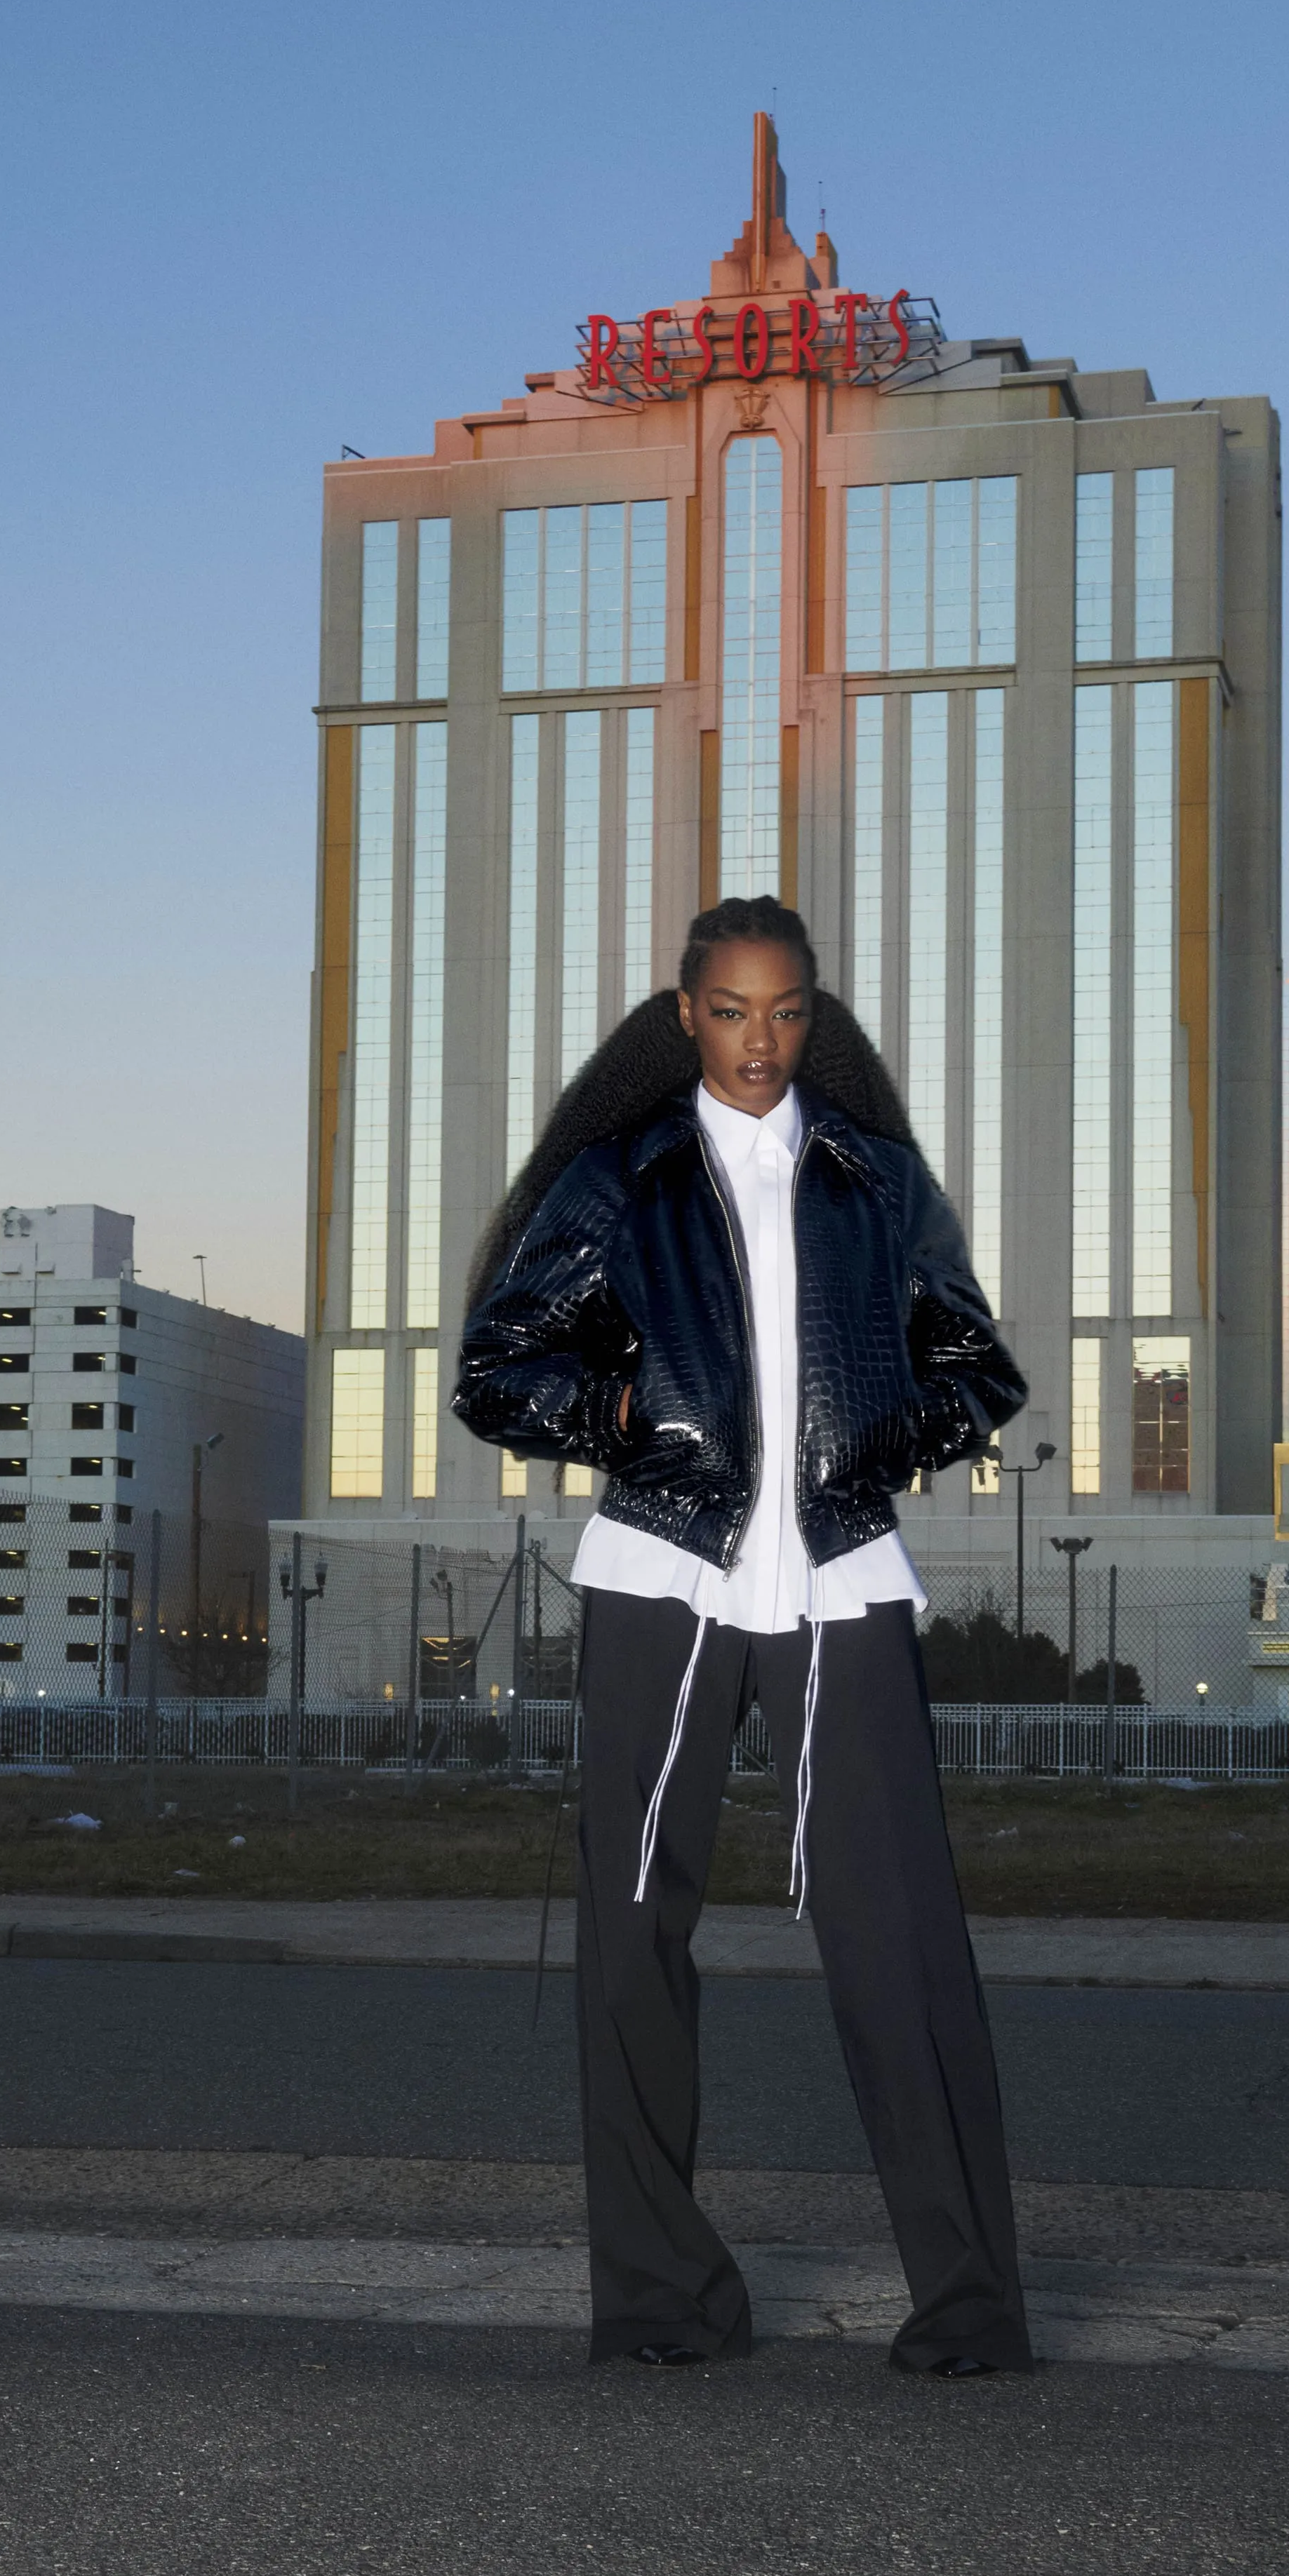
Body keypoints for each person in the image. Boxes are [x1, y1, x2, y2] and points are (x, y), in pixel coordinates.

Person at [455, 896, 1034, 2377]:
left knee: (897, 1941)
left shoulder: (875, 1179)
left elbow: (977, 1364)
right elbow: (497, 1369)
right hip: (665, 1575)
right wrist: (620, 1419)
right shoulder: (616, 1181)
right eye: (729, 1011)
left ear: (812, 1017)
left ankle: (968, 2301)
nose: (759, 1041)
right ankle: (657, 2299)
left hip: (838, 1577)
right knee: (633, 1936)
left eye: (785, 1013)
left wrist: (893, 1435)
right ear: (682, 1017)